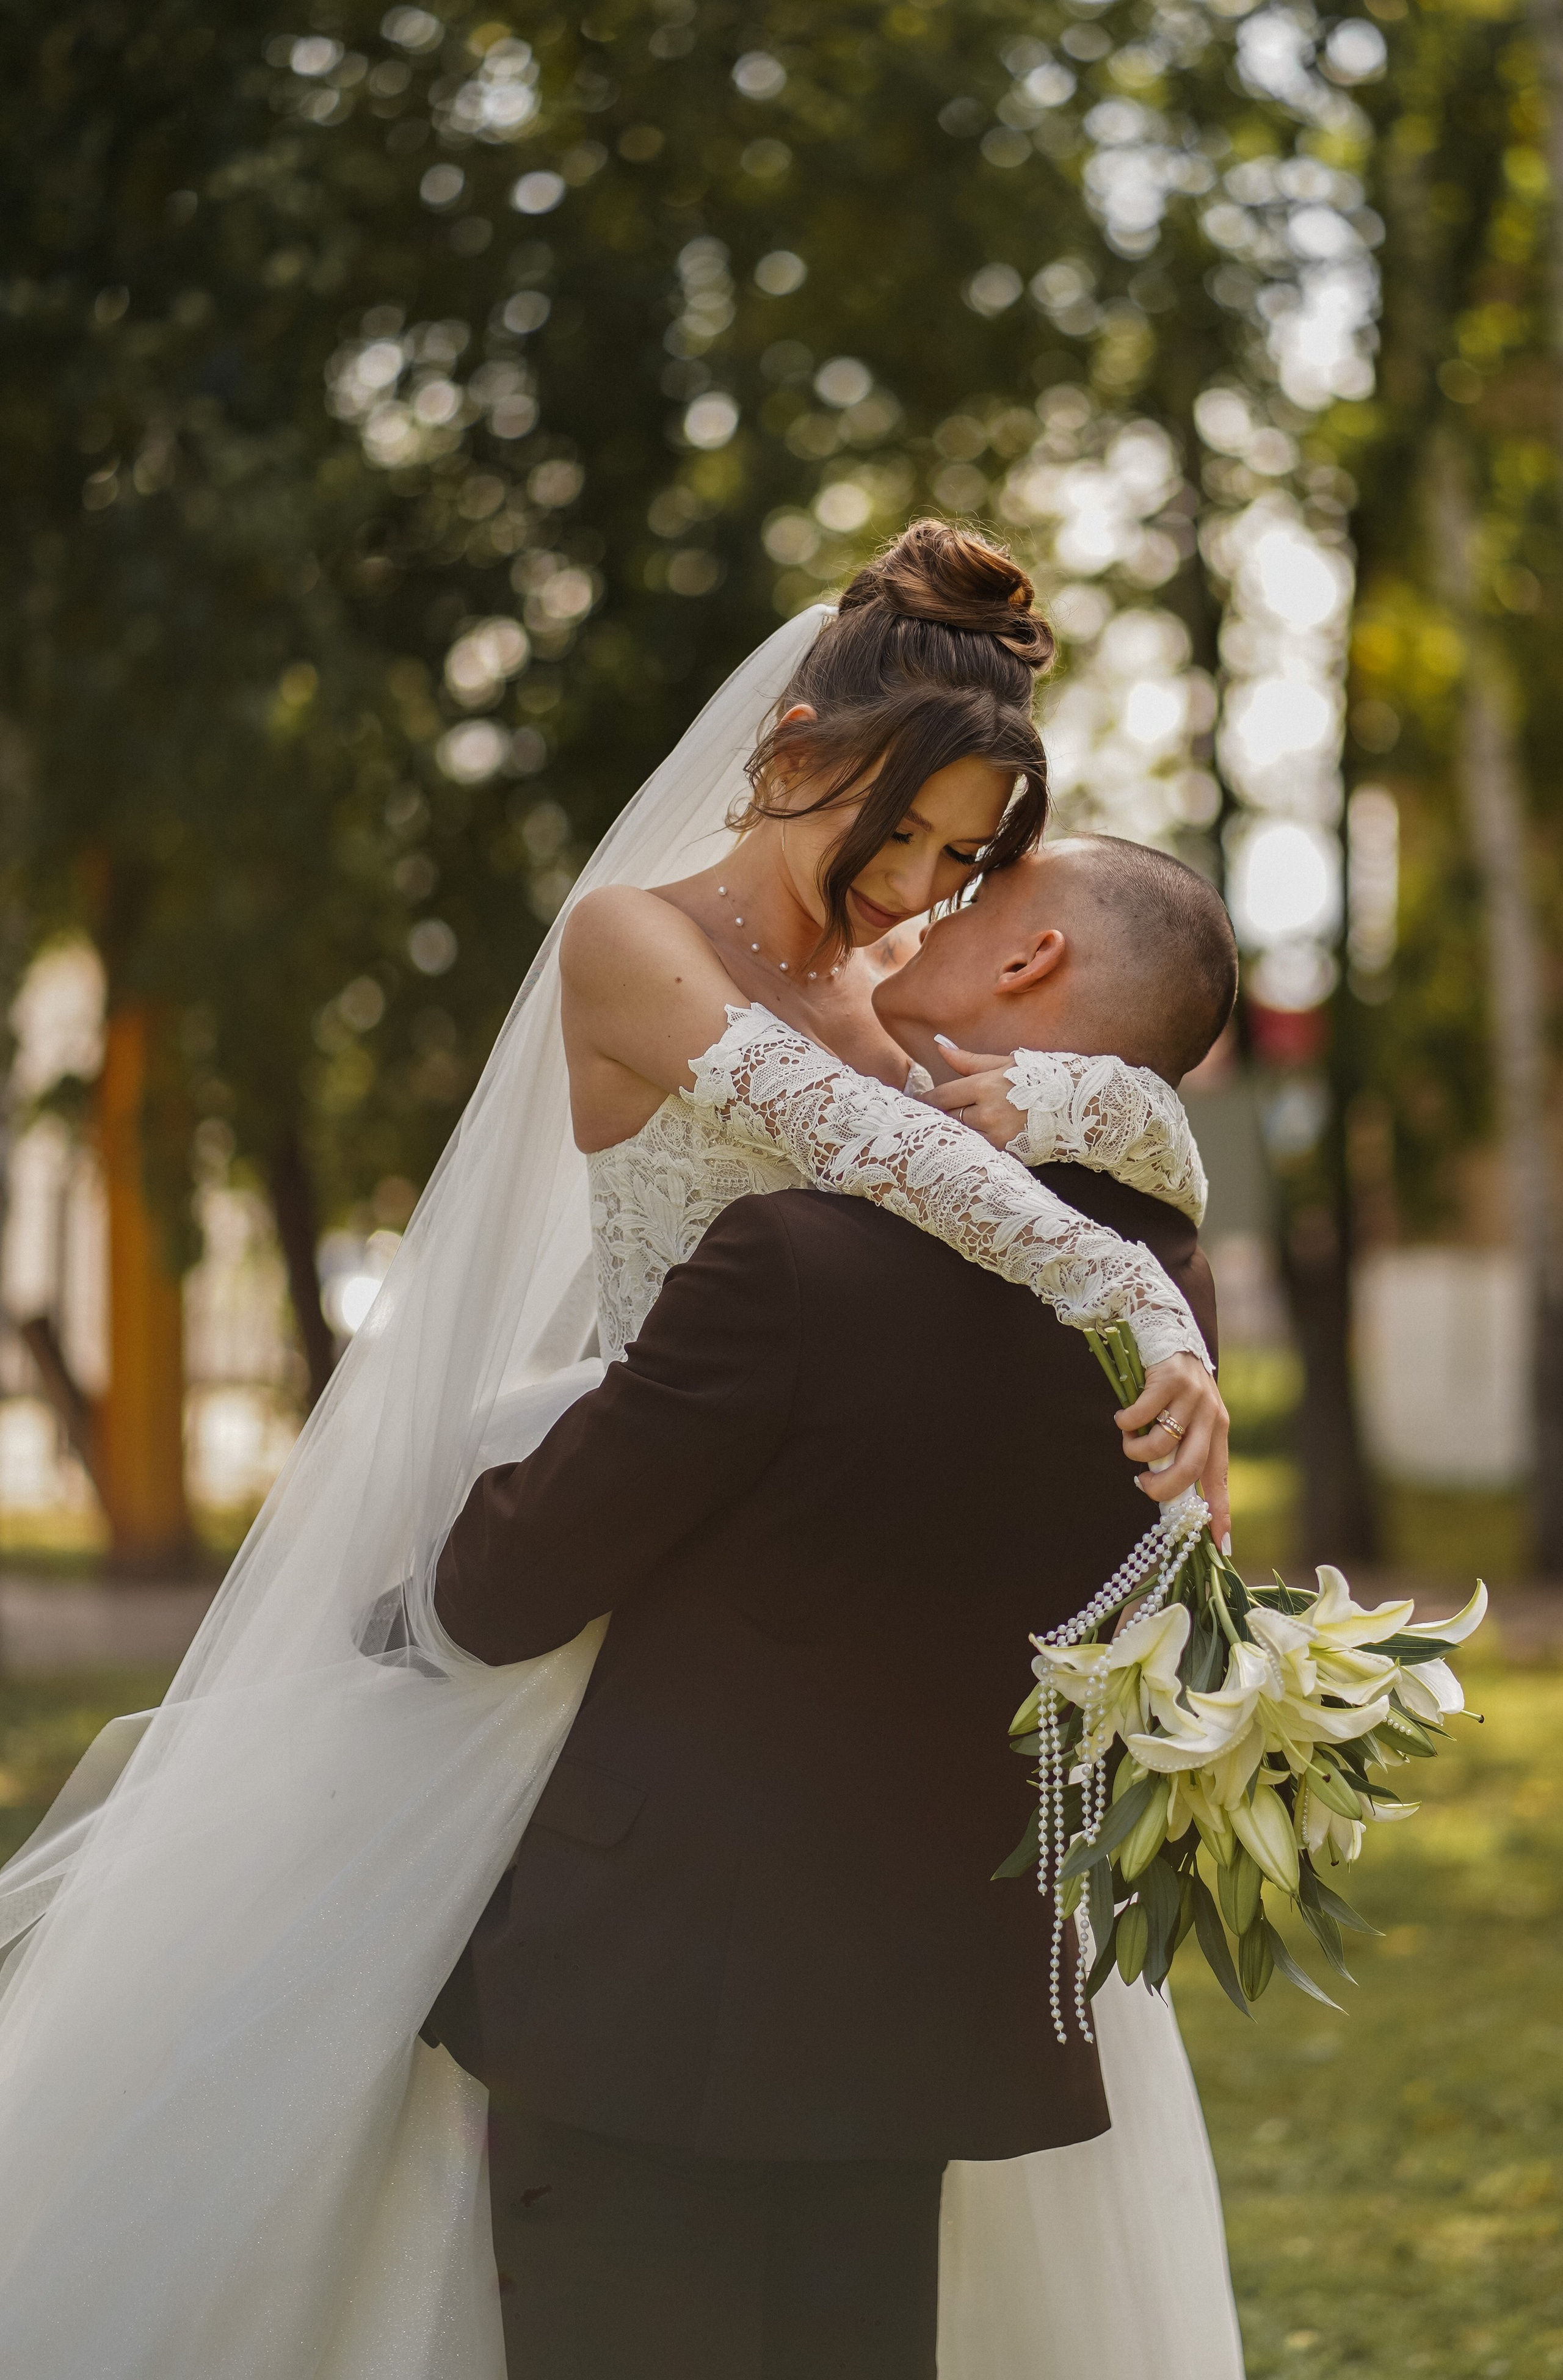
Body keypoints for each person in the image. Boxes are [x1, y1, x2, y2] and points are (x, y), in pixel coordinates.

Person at [0, 553, 1234, 2379]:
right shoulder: (635, 942)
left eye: (962, 868)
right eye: (905, 842)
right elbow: (887, 1158)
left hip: (699, 1649)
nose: (914, 899)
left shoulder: (886, 991)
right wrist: (1139, 1285)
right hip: (636, 1579)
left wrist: (1100, 1124)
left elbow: (1044, 1104)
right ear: (797, 748)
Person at [430, 833, 1244, 2380]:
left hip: (650, 1999)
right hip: (918, 2011)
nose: (925, 904)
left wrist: (429, 1527)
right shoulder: (1168, 1299)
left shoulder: (793, 1257)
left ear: (1029, 965)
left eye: (976, 893)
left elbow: (502, 1586)